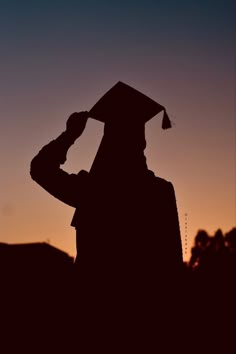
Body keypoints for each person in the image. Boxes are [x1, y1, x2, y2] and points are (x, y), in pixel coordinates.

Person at [30, 82, 183, 351]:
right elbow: (172, 268)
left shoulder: (93, 190)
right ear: (142, 143)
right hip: (141, 326)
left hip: (100, 322)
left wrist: (70, 135)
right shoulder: (159, 192)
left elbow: (40, 169)